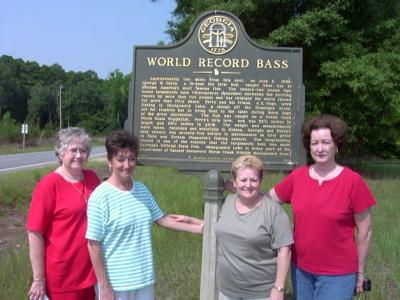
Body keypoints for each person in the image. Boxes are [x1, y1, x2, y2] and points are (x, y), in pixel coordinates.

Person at [86, 129, 203, 300]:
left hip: (144, 280)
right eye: (120, 159)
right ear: (110, 161)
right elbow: (93, 244)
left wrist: (198, 228)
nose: (127, 165)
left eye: (131, 159)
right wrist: (104, 286)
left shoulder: (141, 189)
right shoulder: (100, 196)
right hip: (116, 285)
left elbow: (162, 219)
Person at [269, 114, 376, 300]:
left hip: (338, 274)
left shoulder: (353, 182)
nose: (319, 148)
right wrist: (239, 188)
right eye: (314, 143)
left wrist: (360, 271)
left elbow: (365, 232)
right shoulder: (298, 177)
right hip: (300, 269)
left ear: (336, 145)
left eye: (326, 142)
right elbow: (267, 200)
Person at [26, 127, 100, 300]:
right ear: (60, 153)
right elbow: (34, 233)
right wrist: (38, 279)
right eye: (73, 150)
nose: (79, 155)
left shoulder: (92, 179)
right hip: (62, 277)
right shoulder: (49, 185)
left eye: (83, 150)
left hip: (92, 272)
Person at [216, 155, 293, 300]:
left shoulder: (273, 210)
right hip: (227, 291)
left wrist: (279, 288)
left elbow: (284, 250)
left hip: (261, 293)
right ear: (235, 182)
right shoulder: (227, 202)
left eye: (253, 180)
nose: (248, 185)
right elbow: (221, 227)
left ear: (260, 181)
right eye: (243, 180)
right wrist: (189, 221)